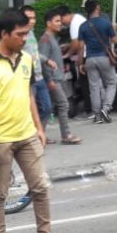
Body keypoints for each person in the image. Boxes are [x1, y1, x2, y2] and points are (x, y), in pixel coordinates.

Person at [0, 9, 69, 233]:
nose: (25, 39)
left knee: (40, 187)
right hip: (2, 138)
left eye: (27, 33)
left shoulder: (27, 59)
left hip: (27, 134)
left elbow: (29, 95)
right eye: (20, 34)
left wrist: (39, 127)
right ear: (4, 34)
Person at [40, 8, 80, 144]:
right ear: (48, 23)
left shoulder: (52, 38)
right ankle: (66, 135)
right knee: (63, 104)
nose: (60, 23)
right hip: (52, 80)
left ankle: (40, 135)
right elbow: (43, 61)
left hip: (56, 78)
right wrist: (49, 80)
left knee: (47, 108)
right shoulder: (45, 39)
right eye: (56, 21)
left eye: (60, 21)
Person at [78, 0, 117, 123]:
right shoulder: (106, 23)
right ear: (97, 8)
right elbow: (115, 40)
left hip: (90, 59)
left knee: (94, 87)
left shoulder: (83, 26)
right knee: (111, 82)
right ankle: (106, 108)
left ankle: (97, 115)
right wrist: (115, 28)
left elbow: (80, 47)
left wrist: (80, 63)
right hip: (104, 57)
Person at [22, 6, 53, 128]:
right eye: (29, 18)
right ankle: (33, 137)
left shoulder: (31, 33)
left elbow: (34, 52)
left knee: (47, 108)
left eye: (34, 18)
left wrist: (46, 60)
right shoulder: (19, 35)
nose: (32, 21)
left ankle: (40, 133)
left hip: (39, 76)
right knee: (29, 110)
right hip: (28, 79)